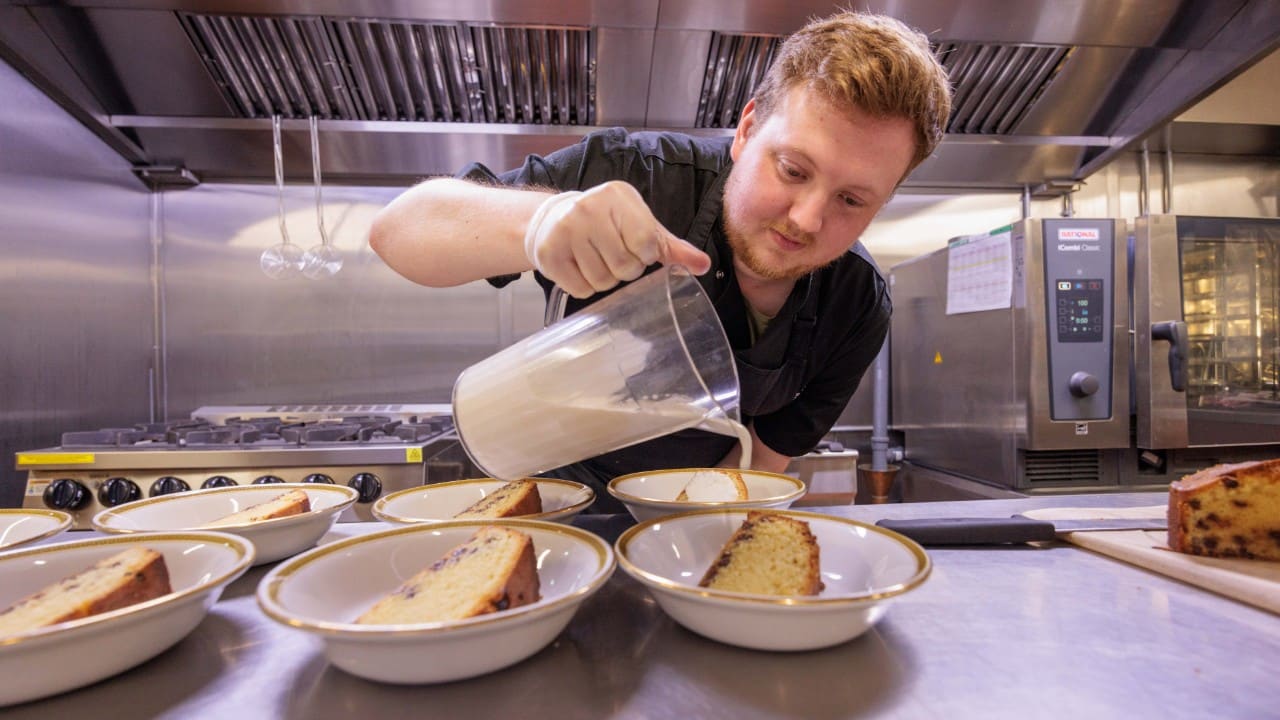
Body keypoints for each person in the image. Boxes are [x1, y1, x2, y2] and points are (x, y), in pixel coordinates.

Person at [369, 11, 952, 512]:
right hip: (532, 490)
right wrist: (538, 222)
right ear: (747, 130)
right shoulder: (631, 174)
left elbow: (764, 455)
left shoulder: (857, 304)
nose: (806, 219)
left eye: (851, 200)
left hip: (679, 511)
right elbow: (397, 231)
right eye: (793, 170)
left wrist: (689, 533)